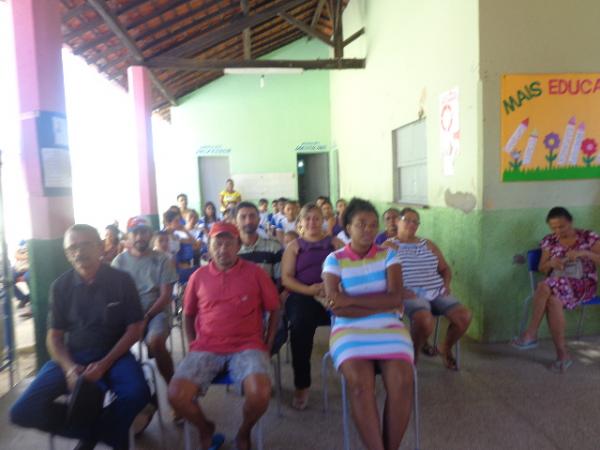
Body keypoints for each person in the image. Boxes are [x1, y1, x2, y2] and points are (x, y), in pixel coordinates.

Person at [10, 224, 149, 450]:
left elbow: (135, 328)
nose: (79, 252)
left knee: (137, 394)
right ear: (66, 254)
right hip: (73, 356)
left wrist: (104, 364)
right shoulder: (60, 287)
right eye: (72, 248)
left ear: (101, 247)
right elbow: (54, 338)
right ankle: (102, 432)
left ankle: (95, 434)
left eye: (86, 245)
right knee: (22, 411)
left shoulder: (122, 280)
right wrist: (69, 368)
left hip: (115, 355)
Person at [167, 222, 281, 450]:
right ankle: (205, 428)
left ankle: (243, 432)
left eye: (229, 243)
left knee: (260, 394)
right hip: (206, 346)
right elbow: (188, 315)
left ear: (238, 246)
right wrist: (193, 345)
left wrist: (267, 345)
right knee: (176, 395)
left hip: (248, 345)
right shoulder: (198, 277)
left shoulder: (256, 273)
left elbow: (275, 309)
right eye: (217, 243)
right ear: (208, 247)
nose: (223, 249)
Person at [323, 198, 413, 450]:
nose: (368, 230)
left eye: (373, 225)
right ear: (347, 227)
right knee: (361, 387)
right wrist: (383, 303)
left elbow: (397, 297)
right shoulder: (334, 259)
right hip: (349, 329)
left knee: (402, 383)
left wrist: (350, 302)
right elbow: (335, 305)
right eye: (361, 224)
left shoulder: (389, 255)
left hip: (389, 327)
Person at [512, 207, 600, 372]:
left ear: (570, 222)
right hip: (558, 283)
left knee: (544, 285)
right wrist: (551, 264)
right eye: (554, 228)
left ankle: (531, 333)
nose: (558, 231)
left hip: (583, 284)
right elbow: (542, 267)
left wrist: (584, 253)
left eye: (562, 226)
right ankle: (562, 355)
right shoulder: (549, 241)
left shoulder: (588, 237)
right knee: (553, 300)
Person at [383, 207, 472, 369]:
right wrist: (399, 290)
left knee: (464, 316)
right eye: (407, 220)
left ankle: (445, 348)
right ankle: (414, 353)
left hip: (437, 291)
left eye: (415, 222)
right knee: (425, 320)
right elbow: (382, 274)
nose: (411, 224)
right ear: (398, 221)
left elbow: (445, 269)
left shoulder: (428, 244)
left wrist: (446, 284)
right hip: (410, 293)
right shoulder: (389, 245)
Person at [281, 203, 343, 409]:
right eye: (307, 219)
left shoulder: (335, 243)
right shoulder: (294, 247)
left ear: (323, 221)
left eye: (316, 218)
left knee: (357, 319)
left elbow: (349, 267)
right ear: (300, 223)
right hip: (303, 295)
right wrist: (311, 290)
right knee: (299, 328)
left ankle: (356, 376)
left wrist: (332, 288)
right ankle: (302, 385)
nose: (312, 222)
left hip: (334, 293)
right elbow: (287, 279)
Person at [112, 216, 178, 387]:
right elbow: (114, 297)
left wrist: (145, 317)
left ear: (150, 235)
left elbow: (165, 296)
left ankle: (174, 389)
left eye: (144, 232)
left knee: (155, 342)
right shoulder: (119, 262)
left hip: (156, 313)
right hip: (128, 316)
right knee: (109, 345)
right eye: (135, 233)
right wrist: (131, 320)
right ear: (128, 236)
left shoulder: (162, 259)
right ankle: (135, 393)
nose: (140, 237)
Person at [236, 202, 283, 284]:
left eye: (252, 216)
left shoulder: (273, 247)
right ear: (235, 221)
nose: (248, 221)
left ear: (259, 220)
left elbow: (280, 281)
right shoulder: (231, 250)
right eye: (243, 217)